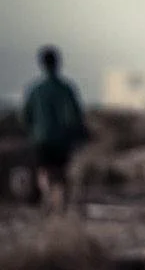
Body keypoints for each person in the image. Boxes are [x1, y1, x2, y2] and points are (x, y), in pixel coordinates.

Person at [20, 45, 89, 215]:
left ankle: (48, 200)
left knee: (44, 172)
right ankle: (61, 206)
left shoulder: (35, 90)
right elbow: (75, 116)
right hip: (62, 140)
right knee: (62, 174)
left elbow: (25, 116)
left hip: (41, 138)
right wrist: (79, 135)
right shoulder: (65, 89)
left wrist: (32, 133)